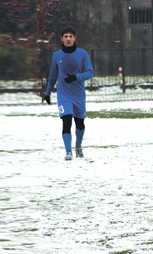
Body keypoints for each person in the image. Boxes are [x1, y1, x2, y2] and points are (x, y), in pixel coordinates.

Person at [44, 26, 94, 161]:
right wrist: (47, 92)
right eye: (65, 36)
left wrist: (76, 77)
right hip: (64, 95)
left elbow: (90, 72)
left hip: (78, 95)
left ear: (74, 38)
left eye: (70, 36)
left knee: (80, 123)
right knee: (66, 120)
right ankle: (68, 151)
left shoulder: (82, 54)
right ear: (62, 39)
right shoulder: (57, 56)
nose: (68, 39)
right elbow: (53, 76)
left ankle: (78, 147)